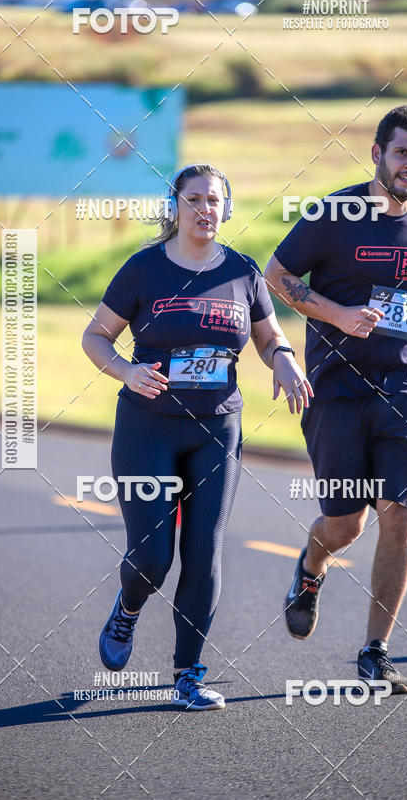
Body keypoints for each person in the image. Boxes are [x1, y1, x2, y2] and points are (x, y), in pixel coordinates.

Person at [82, 163, 312, 711]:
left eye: (215, 200)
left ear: (226, 208)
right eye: (195, 199)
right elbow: (95, 336)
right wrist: (125, 370)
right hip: (147, 426)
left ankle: (188, 674)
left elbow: (269, 334)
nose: (205, 209)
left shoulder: (242, 271)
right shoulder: (143, 269)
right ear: (176, 206)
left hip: (217, 428)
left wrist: (282, 360)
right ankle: (128, 609)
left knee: (204, 551)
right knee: (153, 557)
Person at [264, 105, 407, 693]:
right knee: (345, 522)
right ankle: (310, 569)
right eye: (402, 152)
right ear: (376, 152)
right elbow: (276, 277)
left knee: (400, 515)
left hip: (405, 390)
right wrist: (338, 315)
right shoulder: (333, 213)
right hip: (337, 390)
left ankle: (375, 650)